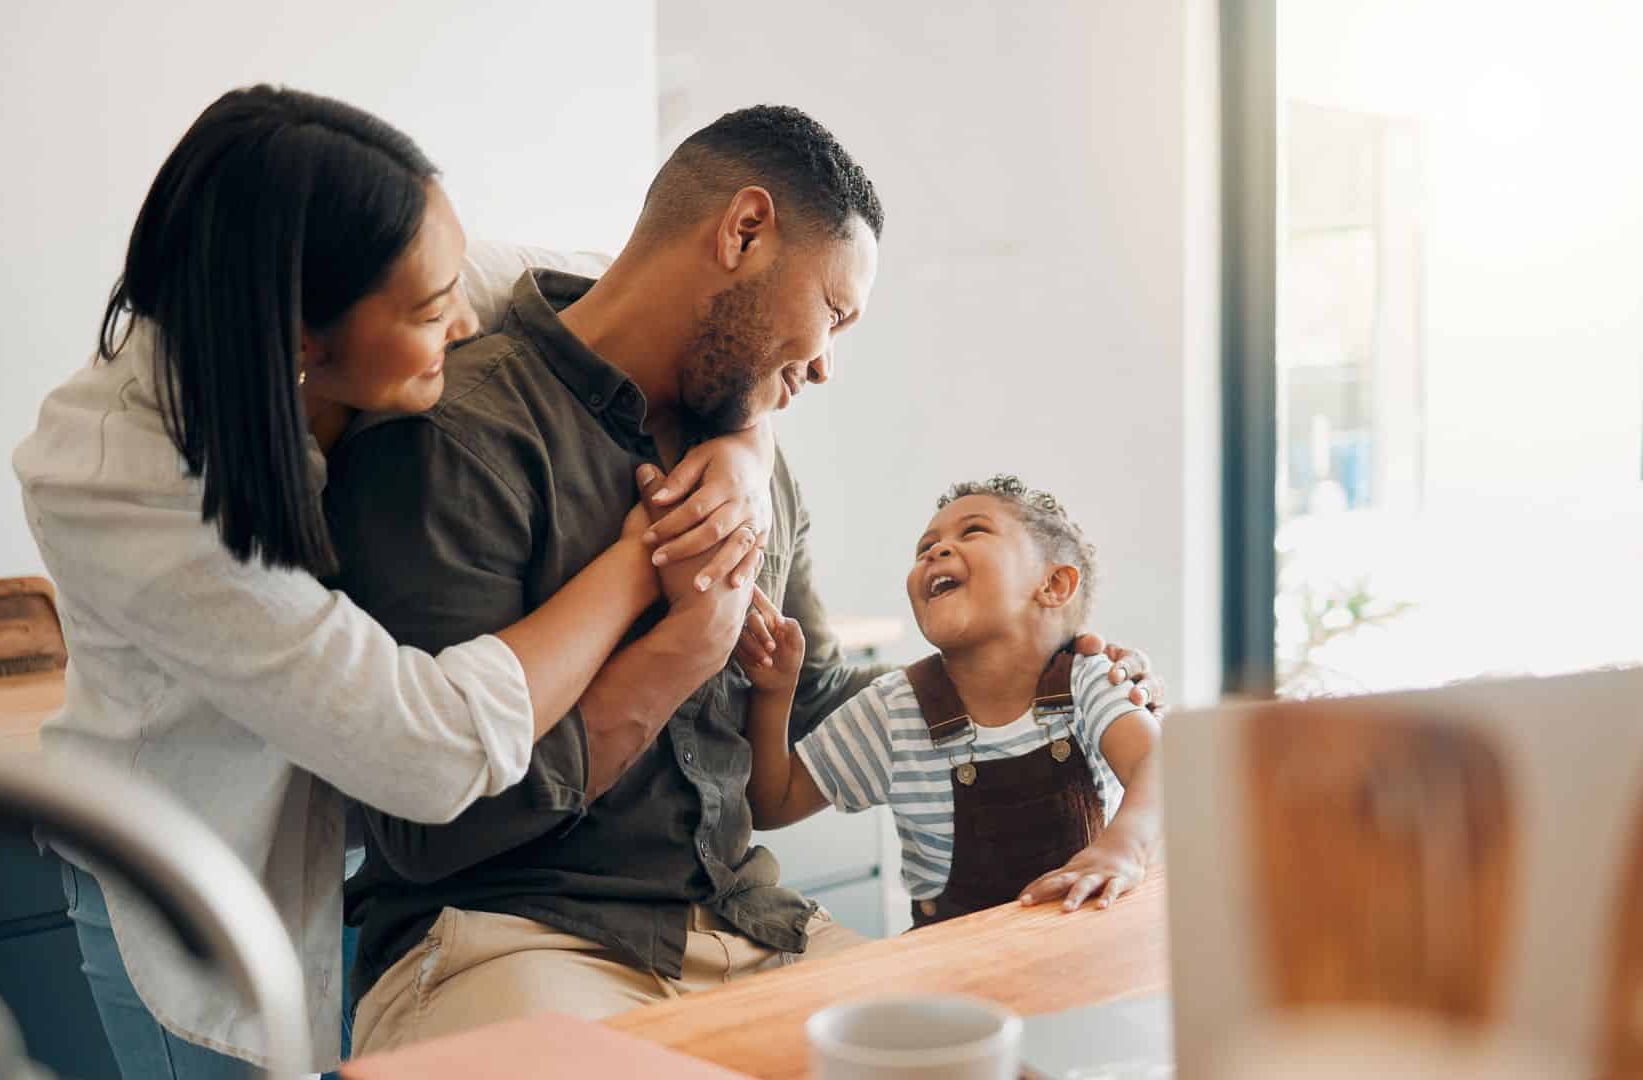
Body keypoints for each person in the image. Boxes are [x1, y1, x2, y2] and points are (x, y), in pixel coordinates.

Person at [328, 105, 1163, 1054]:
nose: (825, 363)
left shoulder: (755, 466)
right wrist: (683, 651)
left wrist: (1031, 684)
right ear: (745, 229)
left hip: (744, 924)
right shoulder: (460, 437)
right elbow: (431, 831)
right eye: (832, 311)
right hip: (508, 939)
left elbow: (807, 701)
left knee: (986, 1061)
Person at [10, 86, 774, 1079]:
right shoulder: (115, 475)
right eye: (427, 310)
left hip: (368, 882)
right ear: (298, 338)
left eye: (454, 281)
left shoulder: (407, 280)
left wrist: (747, 452)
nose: (465, 318)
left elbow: (671, 314)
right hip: (203, 884)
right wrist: (643, 563)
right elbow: (430, 747)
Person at [743, 475, 1163, 928]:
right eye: (926, 545)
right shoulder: (893, 711)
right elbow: (772, 802)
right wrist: (774, 692)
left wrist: (1125, 847)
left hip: (1087, 937)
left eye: (973, 531)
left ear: (1054, 584)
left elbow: (1163, 765)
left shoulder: (1088, 680)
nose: (935, 551)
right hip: (951, 967)